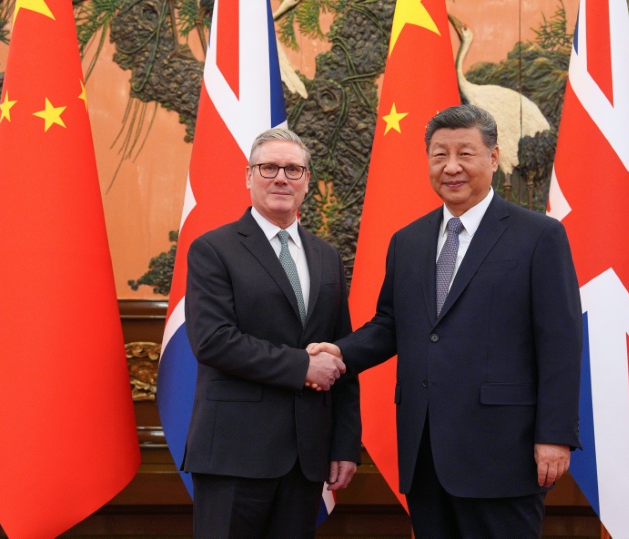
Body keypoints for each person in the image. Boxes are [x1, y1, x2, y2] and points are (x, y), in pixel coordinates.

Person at [311, 104, 582, 537]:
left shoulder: (538, 236)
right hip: (425, 452)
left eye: (465, 154)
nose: (451, 167)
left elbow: (560, 342)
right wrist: (340, 353)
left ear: (493, 158)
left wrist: (555, 435)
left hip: (503, 453)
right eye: (439, 155)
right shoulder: (408, 241)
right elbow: (390, 325)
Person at [182, 128, 361, 538]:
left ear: (307, 182)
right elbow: (212, 340)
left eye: (293, 169)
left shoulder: (327, 257)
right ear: (249, 176)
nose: (281, 177)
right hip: (234, 454)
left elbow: (340, 352)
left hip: (306, 457)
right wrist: (302, 367)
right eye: (269, 168)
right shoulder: (213, 249)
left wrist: (345, 444)